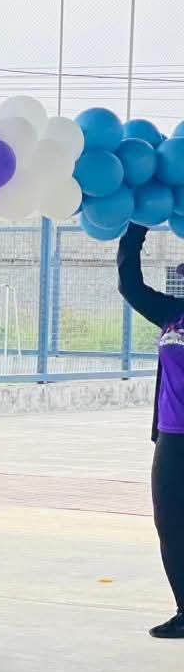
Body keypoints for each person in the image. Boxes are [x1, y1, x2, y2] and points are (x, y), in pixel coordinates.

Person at [117, 223, 184, 639]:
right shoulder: (172, 313)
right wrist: (135, 225)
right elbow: (130, 284)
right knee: (170, 522)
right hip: (173, 436)